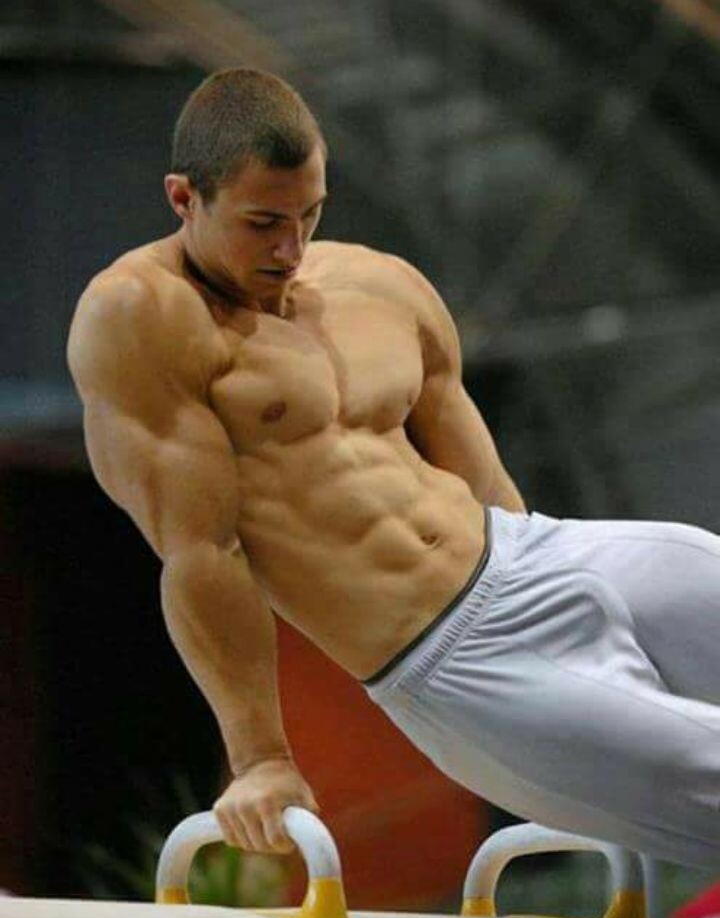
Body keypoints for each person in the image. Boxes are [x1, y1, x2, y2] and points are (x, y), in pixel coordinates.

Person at [68, 67, 720, 870]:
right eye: (263, 223)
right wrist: (260, 757)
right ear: (182, 198)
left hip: (538, 553)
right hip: (459, 661)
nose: (290, 249)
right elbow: (202, 551)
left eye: (309, 214)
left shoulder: (378, 282)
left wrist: (559, 599)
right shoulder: (144, 316)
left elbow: (484, 482)